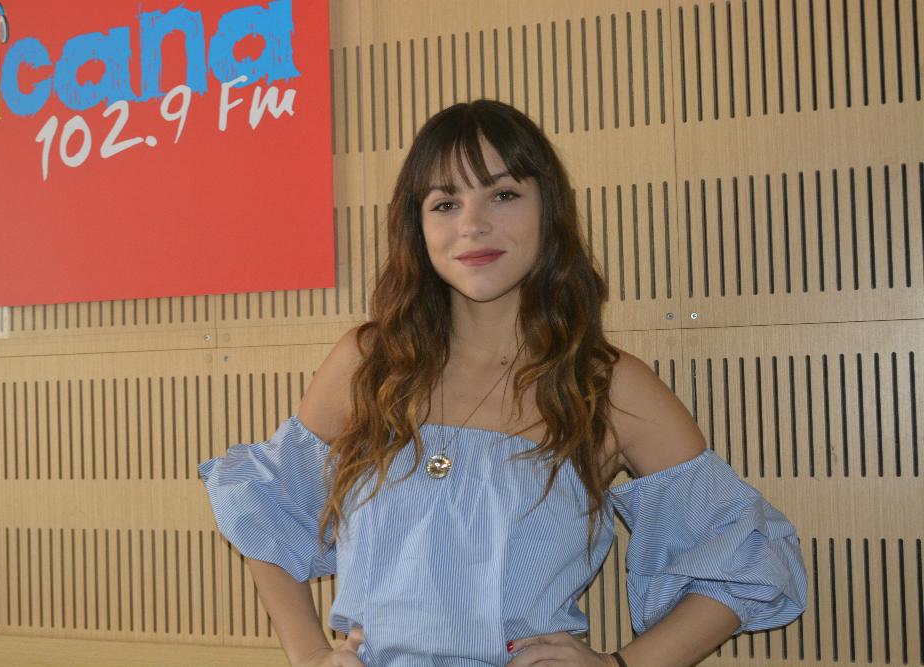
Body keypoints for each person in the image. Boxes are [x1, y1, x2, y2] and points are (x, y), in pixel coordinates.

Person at [199, 99, 807, 666]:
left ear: (549, 210)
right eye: (445, 203)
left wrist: (620, 664)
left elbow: (746, 549)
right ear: (418, 226)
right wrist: (310, 654)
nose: (473, 224)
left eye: (504, 194)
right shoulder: (370, 364)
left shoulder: (606, 385)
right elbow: (264, 501)